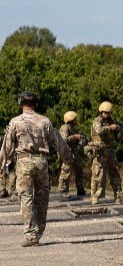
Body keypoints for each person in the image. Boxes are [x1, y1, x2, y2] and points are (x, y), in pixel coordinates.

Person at [0, 92, 73, 246]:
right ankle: (38, 231)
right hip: (41, 161)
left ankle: (31, 235)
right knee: (42, 198)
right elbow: (57, 141)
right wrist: (67, 158)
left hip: (24, 162)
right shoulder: (44, 121)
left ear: (21, 103)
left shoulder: (15, 122)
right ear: (35, 103)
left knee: (26, 198)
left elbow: (6, 147)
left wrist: (1, 164)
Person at [89, 101, 123, 205]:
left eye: (108, 112)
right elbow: (99, 130)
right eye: (105, 112)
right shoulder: (97, 120)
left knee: (114, 173)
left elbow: (120, 130)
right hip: (100, 150)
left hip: (110, 150)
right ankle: (95, 197)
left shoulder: (112, 121)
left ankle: (118, 196)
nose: (107, 114)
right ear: (102, 112)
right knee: (98, 174)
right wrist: (110, 128)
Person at [58, 111, 86, 199]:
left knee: (79, 167)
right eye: (74, 119)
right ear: (71, 119)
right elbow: (63, 140)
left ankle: (80, 189)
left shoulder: (72, 127)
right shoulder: (65, 127)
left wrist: (81, 140)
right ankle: (63, 191)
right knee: (66, 171)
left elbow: (74, 140)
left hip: (73, 152)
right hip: (67, 152)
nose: (76, 120)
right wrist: (74, 136)